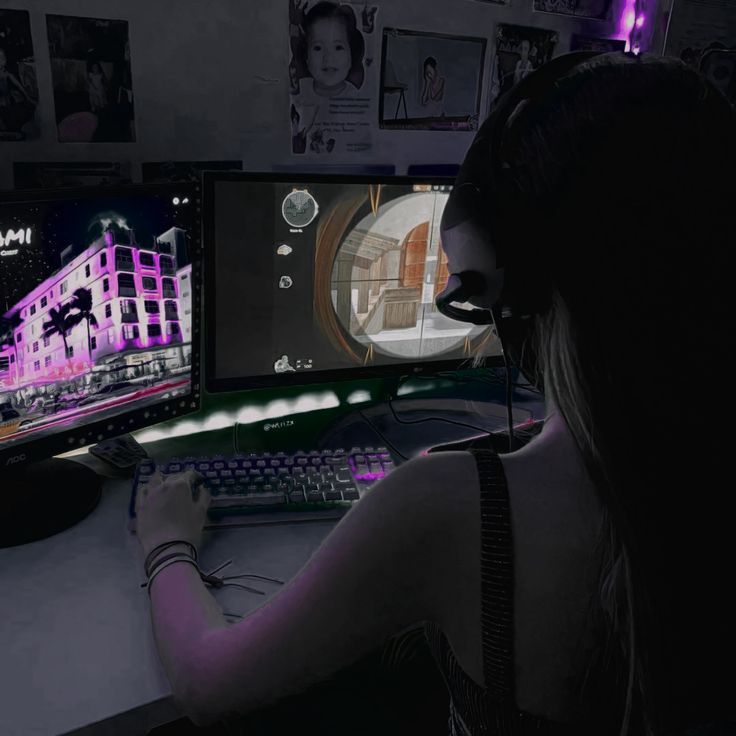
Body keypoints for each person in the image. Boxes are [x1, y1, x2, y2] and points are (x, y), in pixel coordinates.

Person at [134, 52, 735, 735]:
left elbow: (211, 684)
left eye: (477, 293)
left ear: (528, 297)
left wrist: (166, 543)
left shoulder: (454, 506)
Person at [292, 1, 365, 99]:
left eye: (338, 47)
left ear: (351, 54)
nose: (328, 58)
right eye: (318, 48)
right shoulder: (298, 92)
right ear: (306, 55)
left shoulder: (358, 97)